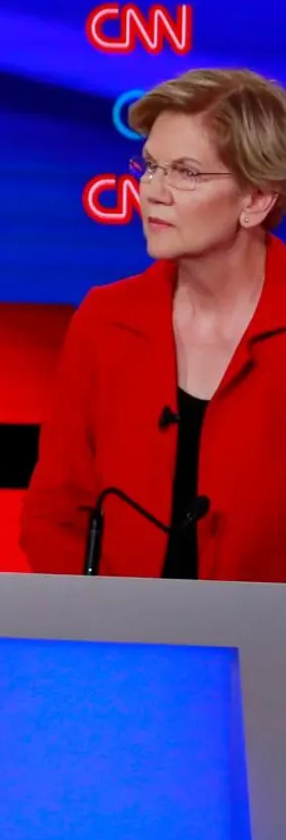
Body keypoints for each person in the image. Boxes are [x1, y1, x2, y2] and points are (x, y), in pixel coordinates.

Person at [22, 67, 286, 580]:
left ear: (256, 199)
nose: (152, 192)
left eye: (186, 172)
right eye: (150, 166)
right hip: (123, 650)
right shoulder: (107, 320)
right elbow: (55, 513)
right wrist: (94, 635)